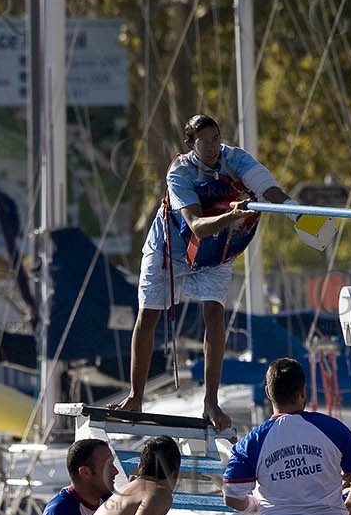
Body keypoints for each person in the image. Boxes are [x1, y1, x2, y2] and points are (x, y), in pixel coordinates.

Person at [113, 114, 295, 431]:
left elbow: (269, 189)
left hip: (216, 253)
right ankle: (135, 396)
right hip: (170, 250)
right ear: (190, 144)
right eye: (204, 142)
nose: (212, 147)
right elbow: (197, 226)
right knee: (149, 315)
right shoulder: (179, 172)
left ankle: (211, 401)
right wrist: (232, 215)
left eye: (216, 139)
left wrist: (295, 211)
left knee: (214, 315)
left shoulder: (235, 158)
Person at [223, 357, 351, 515]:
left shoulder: (252, 442)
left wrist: (254, 506)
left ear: (268, 392)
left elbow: (231, 496)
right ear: (303, 390)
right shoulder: (333, 429)